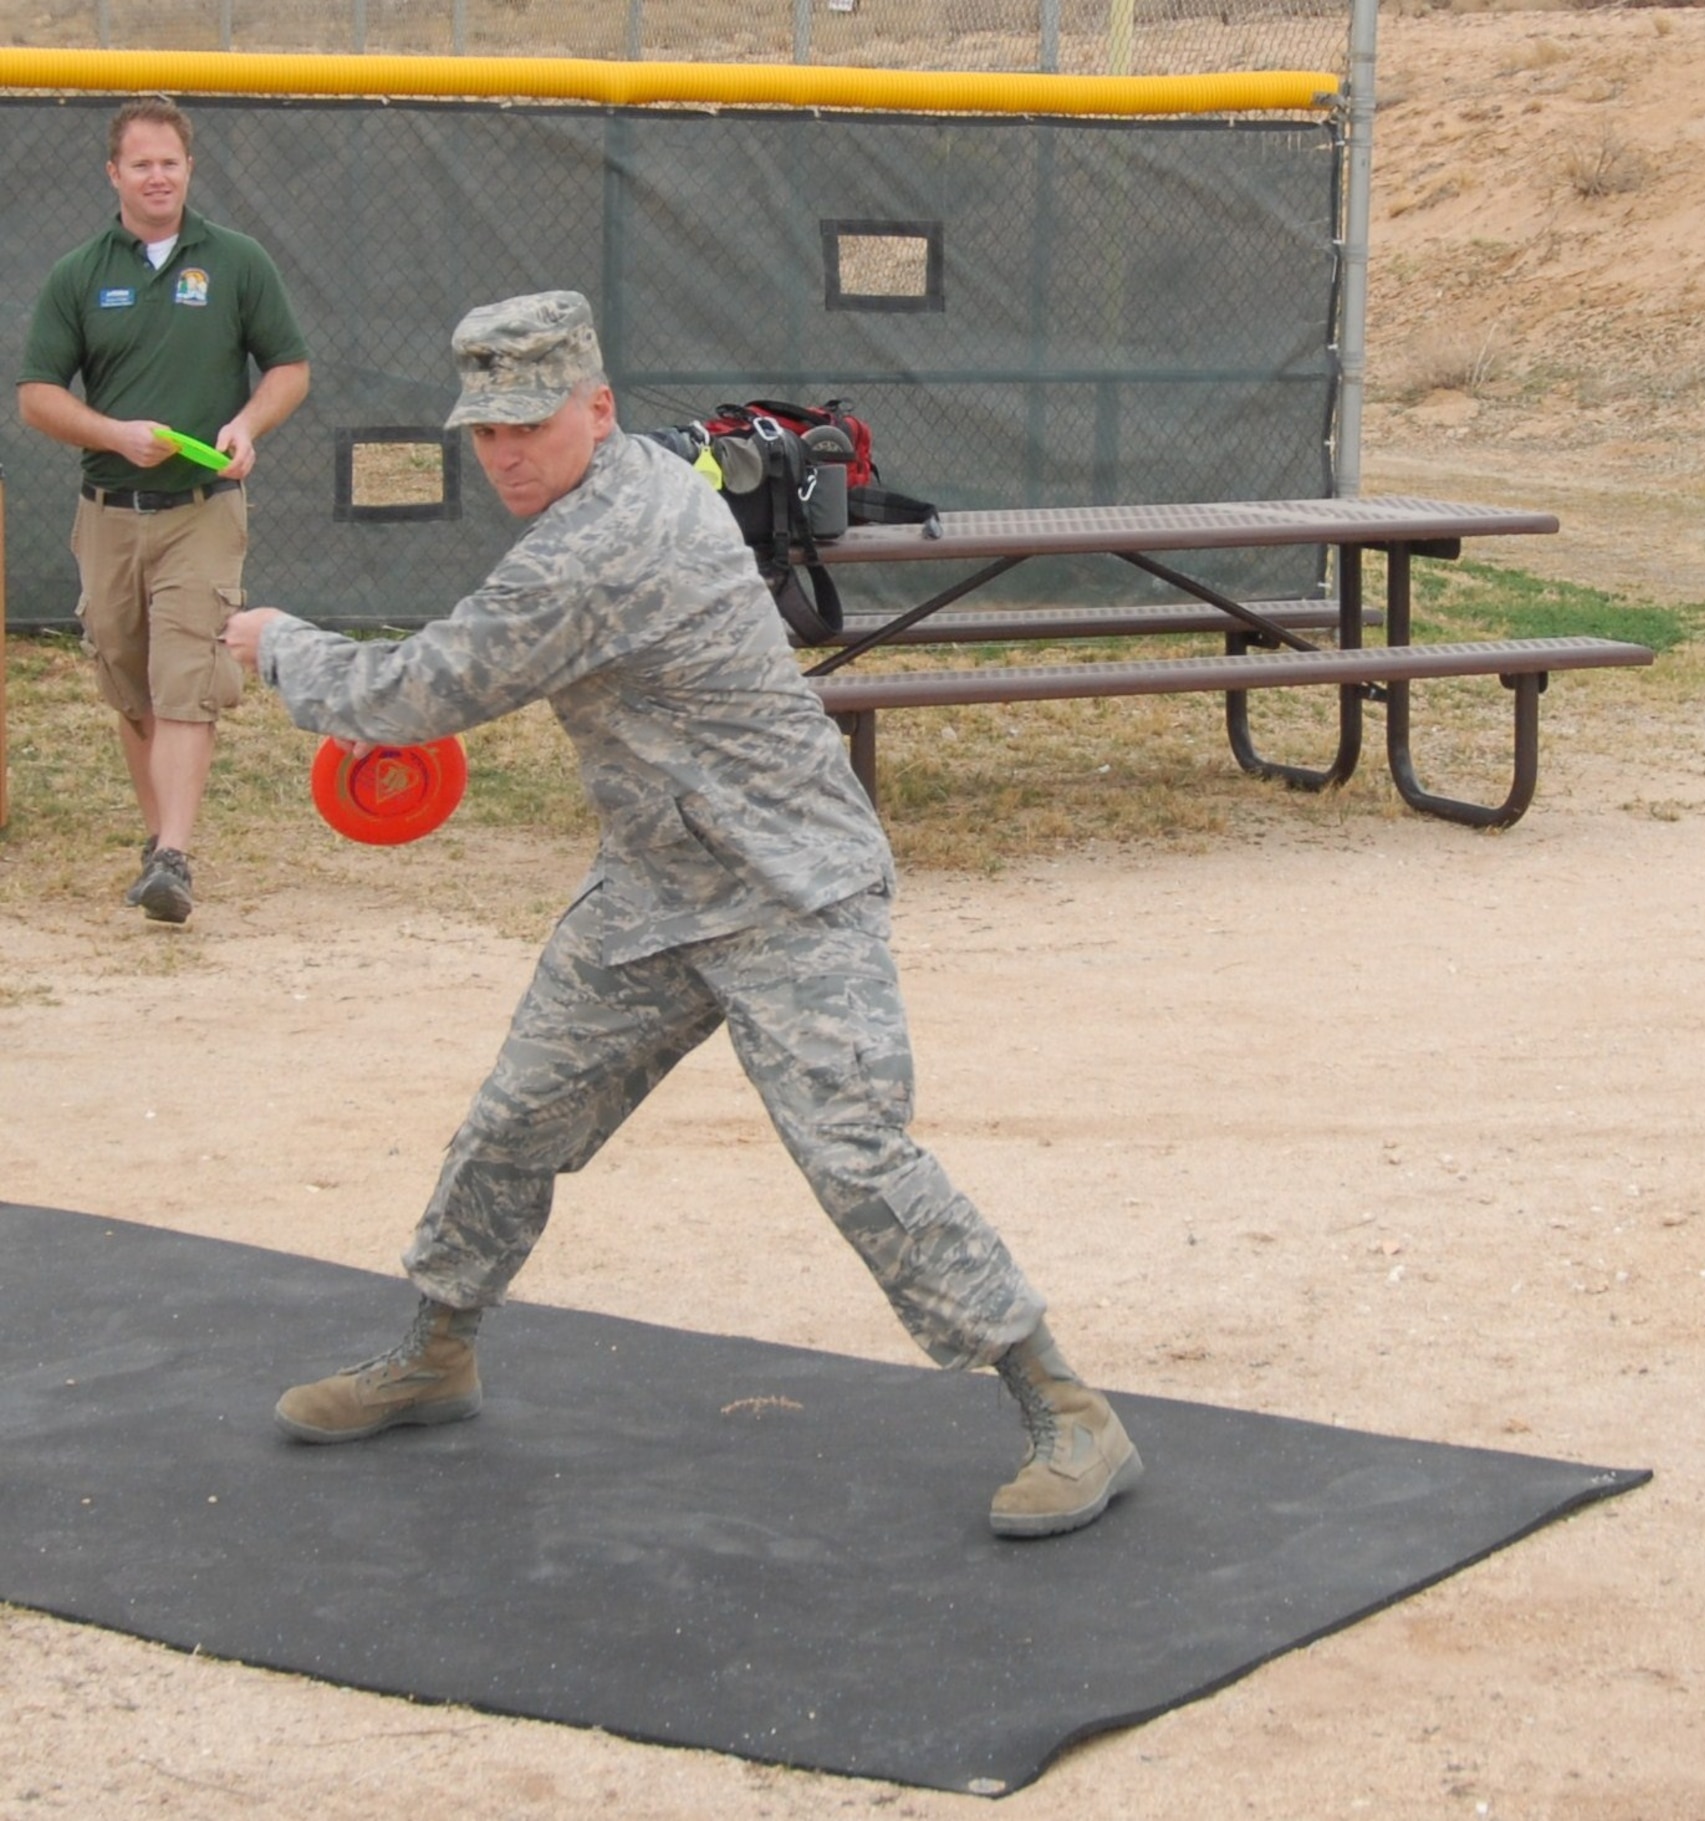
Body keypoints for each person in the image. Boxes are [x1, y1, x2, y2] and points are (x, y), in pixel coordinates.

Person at [221, 291, 1142, 1540]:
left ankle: (1068, 1409)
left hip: (787, 889)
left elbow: (410, 694)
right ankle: (436, 1352)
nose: (501, 455)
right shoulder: (636, 480)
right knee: (516, 1119)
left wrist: (277, 644)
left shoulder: (598, 547)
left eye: (528, 427)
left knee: (855, 1155)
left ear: (596, 411)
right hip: (658, 885)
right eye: (483, 433)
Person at [18, 96, 311, 926]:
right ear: (114, 173)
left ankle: (175, 855)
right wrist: (114, 431)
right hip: (108, 508)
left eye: (170, 162)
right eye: (140, 163)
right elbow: (36, 396)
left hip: (202, 508)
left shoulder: (237, 261)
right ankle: (158, 846)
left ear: (190, 170)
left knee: (188, 673)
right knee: (130, 674)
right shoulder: (80, 272)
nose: (157, 176)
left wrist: (246, 425)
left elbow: (290, 367)